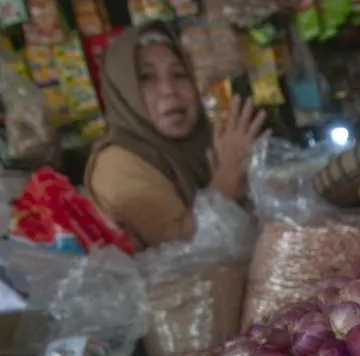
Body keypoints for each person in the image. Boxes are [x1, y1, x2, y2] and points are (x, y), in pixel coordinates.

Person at [84, 23, 267, 250]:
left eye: (179, 74)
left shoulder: (209, 140)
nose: (169, 90)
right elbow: (178, 255)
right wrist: (225, 185)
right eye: (146, 78)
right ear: (124, 93)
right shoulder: (117, 164)